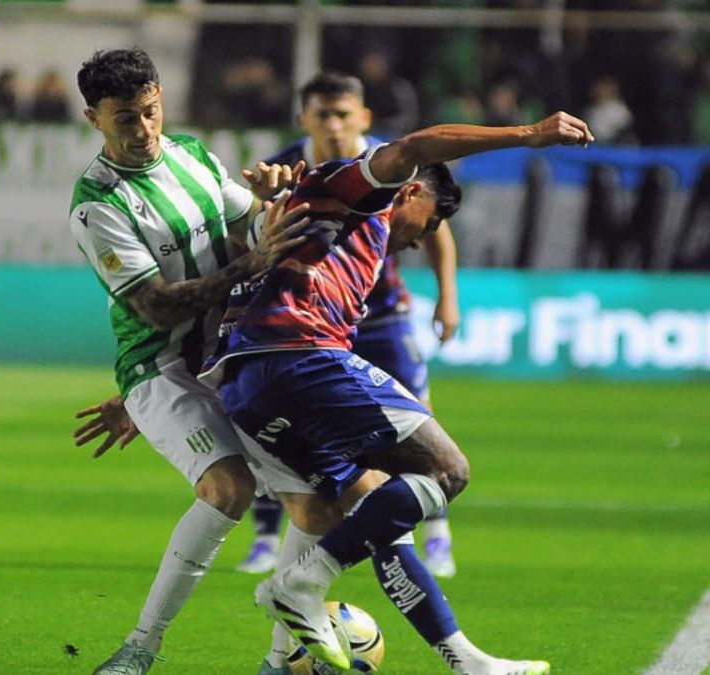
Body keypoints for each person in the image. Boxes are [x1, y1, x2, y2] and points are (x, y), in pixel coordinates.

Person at [203, 111, 594, 673]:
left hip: (249, 389)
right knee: (447, 470)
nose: (417, 241)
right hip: (295, 355)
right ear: (409, 190)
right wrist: (528, 135)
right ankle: (302, 583)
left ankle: (462, 661)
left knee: (375, 512)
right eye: (427, 224)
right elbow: (415, 146)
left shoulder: (325, 229)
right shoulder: (365, 191)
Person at [68, 47, 314, 675]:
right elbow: (156, 307)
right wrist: (252, 260)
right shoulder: (98, 205)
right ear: (94, 118)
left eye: (150, 111)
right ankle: (139, 648)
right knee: (229, 489)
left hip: (230, 353)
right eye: (125, 118)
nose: (144, 129)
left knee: (315, 496)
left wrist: (272, 201)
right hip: (161, 367)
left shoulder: (192, 156)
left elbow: (251, 226)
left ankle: (282, 657)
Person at [237, 71, 462, 580]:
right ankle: (266, 537)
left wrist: (448, 297)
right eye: (323, 115)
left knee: (417, 415)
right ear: (304, 119)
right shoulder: (287, 166)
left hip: (382, 314)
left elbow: (435, 232)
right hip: (310, 321)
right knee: (282, 423)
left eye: (343, 115)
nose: (334, 126)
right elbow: (258, 235)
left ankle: (438, 535)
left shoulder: (391, 164)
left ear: (364, 117)